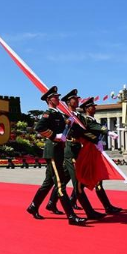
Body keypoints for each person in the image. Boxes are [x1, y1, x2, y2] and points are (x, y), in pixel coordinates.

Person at [26, 86, 86, 226]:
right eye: (55, 97)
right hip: (52, 151)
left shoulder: (58, 114)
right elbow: (39, 128)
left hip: (58, 150)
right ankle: (71, 216)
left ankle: (33, 206)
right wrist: (54, 136)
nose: (58, 99)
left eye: (58, 97)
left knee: (48, 183)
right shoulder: (48, 113)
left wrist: (68, 125)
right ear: (49, 99)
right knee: (60, 185)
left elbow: (62, 128)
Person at [45, 89, 105, 220]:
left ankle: (51, 203)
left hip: (78, 150)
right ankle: (89, 212)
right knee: (78, 182)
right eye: (75, 99)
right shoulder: (64, 115)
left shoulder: (79, 116)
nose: (78, 100)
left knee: (63, 179)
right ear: (69, 101)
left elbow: (84, 131)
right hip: (69, 150)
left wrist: (96, 140)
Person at [79, 97, 122, 214]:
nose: (95, 107)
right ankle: (107, 207)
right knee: (94, 180)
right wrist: (108, 132)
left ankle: (71, 200)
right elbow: (97, 128)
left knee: (84, 181)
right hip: (89, 153)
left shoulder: (92, 120)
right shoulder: (88, 121)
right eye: (92, 106)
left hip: (95, 152)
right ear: (87, 109)